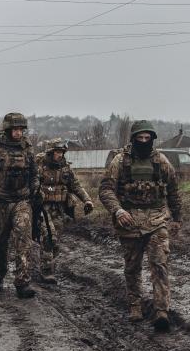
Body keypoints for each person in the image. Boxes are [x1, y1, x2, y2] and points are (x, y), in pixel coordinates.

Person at [99, 121, 181, 330]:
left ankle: (161, 310)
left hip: (156, 221)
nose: (143, 142)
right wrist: (118, 211)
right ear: (133, 139)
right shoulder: (120, 161)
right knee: (132, 267)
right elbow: (106, 189)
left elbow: (173, 190)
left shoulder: (161, 161)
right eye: (140, 138)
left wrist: (177, 218)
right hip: (129, 222)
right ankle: (135, 305)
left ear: (152, 139)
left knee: (159, 263)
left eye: (147, 138)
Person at [0, 112, 40, 298]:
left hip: (22, 201)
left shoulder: (28, 149)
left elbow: (35, 173)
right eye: (15, 129)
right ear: (8, 129)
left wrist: (35, 188)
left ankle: (23, 282)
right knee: (0, 243)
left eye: (21, 129)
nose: (19, 133)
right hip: (1, 203)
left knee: (24, 240)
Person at [35, 138, 95, 284]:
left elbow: (76, 186)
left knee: (56, 242)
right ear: (50, 152)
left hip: (59, 208)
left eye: (62, 152)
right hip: (42, 208)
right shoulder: (39, 167)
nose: (60, 155)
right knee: (49, 236)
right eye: (57, 152)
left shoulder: (66, 168)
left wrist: (87, 200)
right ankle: (46, 271)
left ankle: (47, 265)